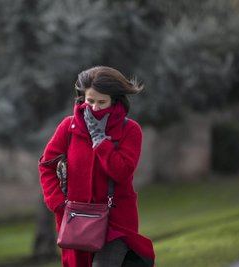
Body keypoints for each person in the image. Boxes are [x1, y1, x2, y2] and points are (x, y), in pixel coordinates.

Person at [38, 66, 156, 267]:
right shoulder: (68, 127)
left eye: (102, 102)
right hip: (76, 221)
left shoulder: (130, 130)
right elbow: (46, 167)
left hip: (115, 221)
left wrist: (100, 140)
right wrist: (58, 204)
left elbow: (121, 172)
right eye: (89, 101)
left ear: (115, 100)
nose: (94, 108)